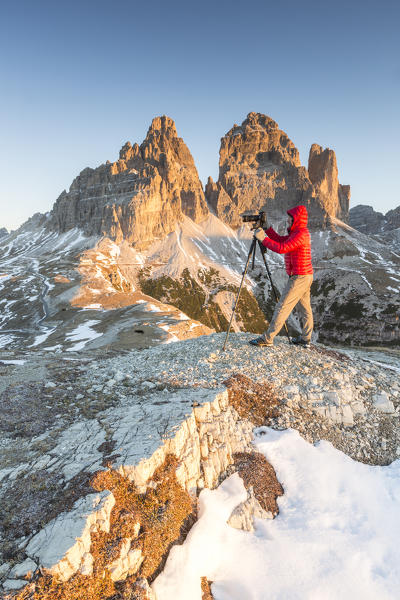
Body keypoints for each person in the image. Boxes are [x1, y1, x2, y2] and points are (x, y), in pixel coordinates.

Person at [250, 205, 314, 348]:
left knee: (282, 306)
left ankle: (268, 338)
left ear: (296, 219)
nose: (288, 220)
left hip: (300, 277)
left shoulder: (301, 234)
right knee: (305, 309)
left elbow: (281, 248)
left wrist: (262, 239)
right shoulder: (297, 233)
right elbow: (280, 240)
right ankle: (306, 339)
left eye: (290, 218)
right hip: (304, 275)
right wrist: (267, 229)